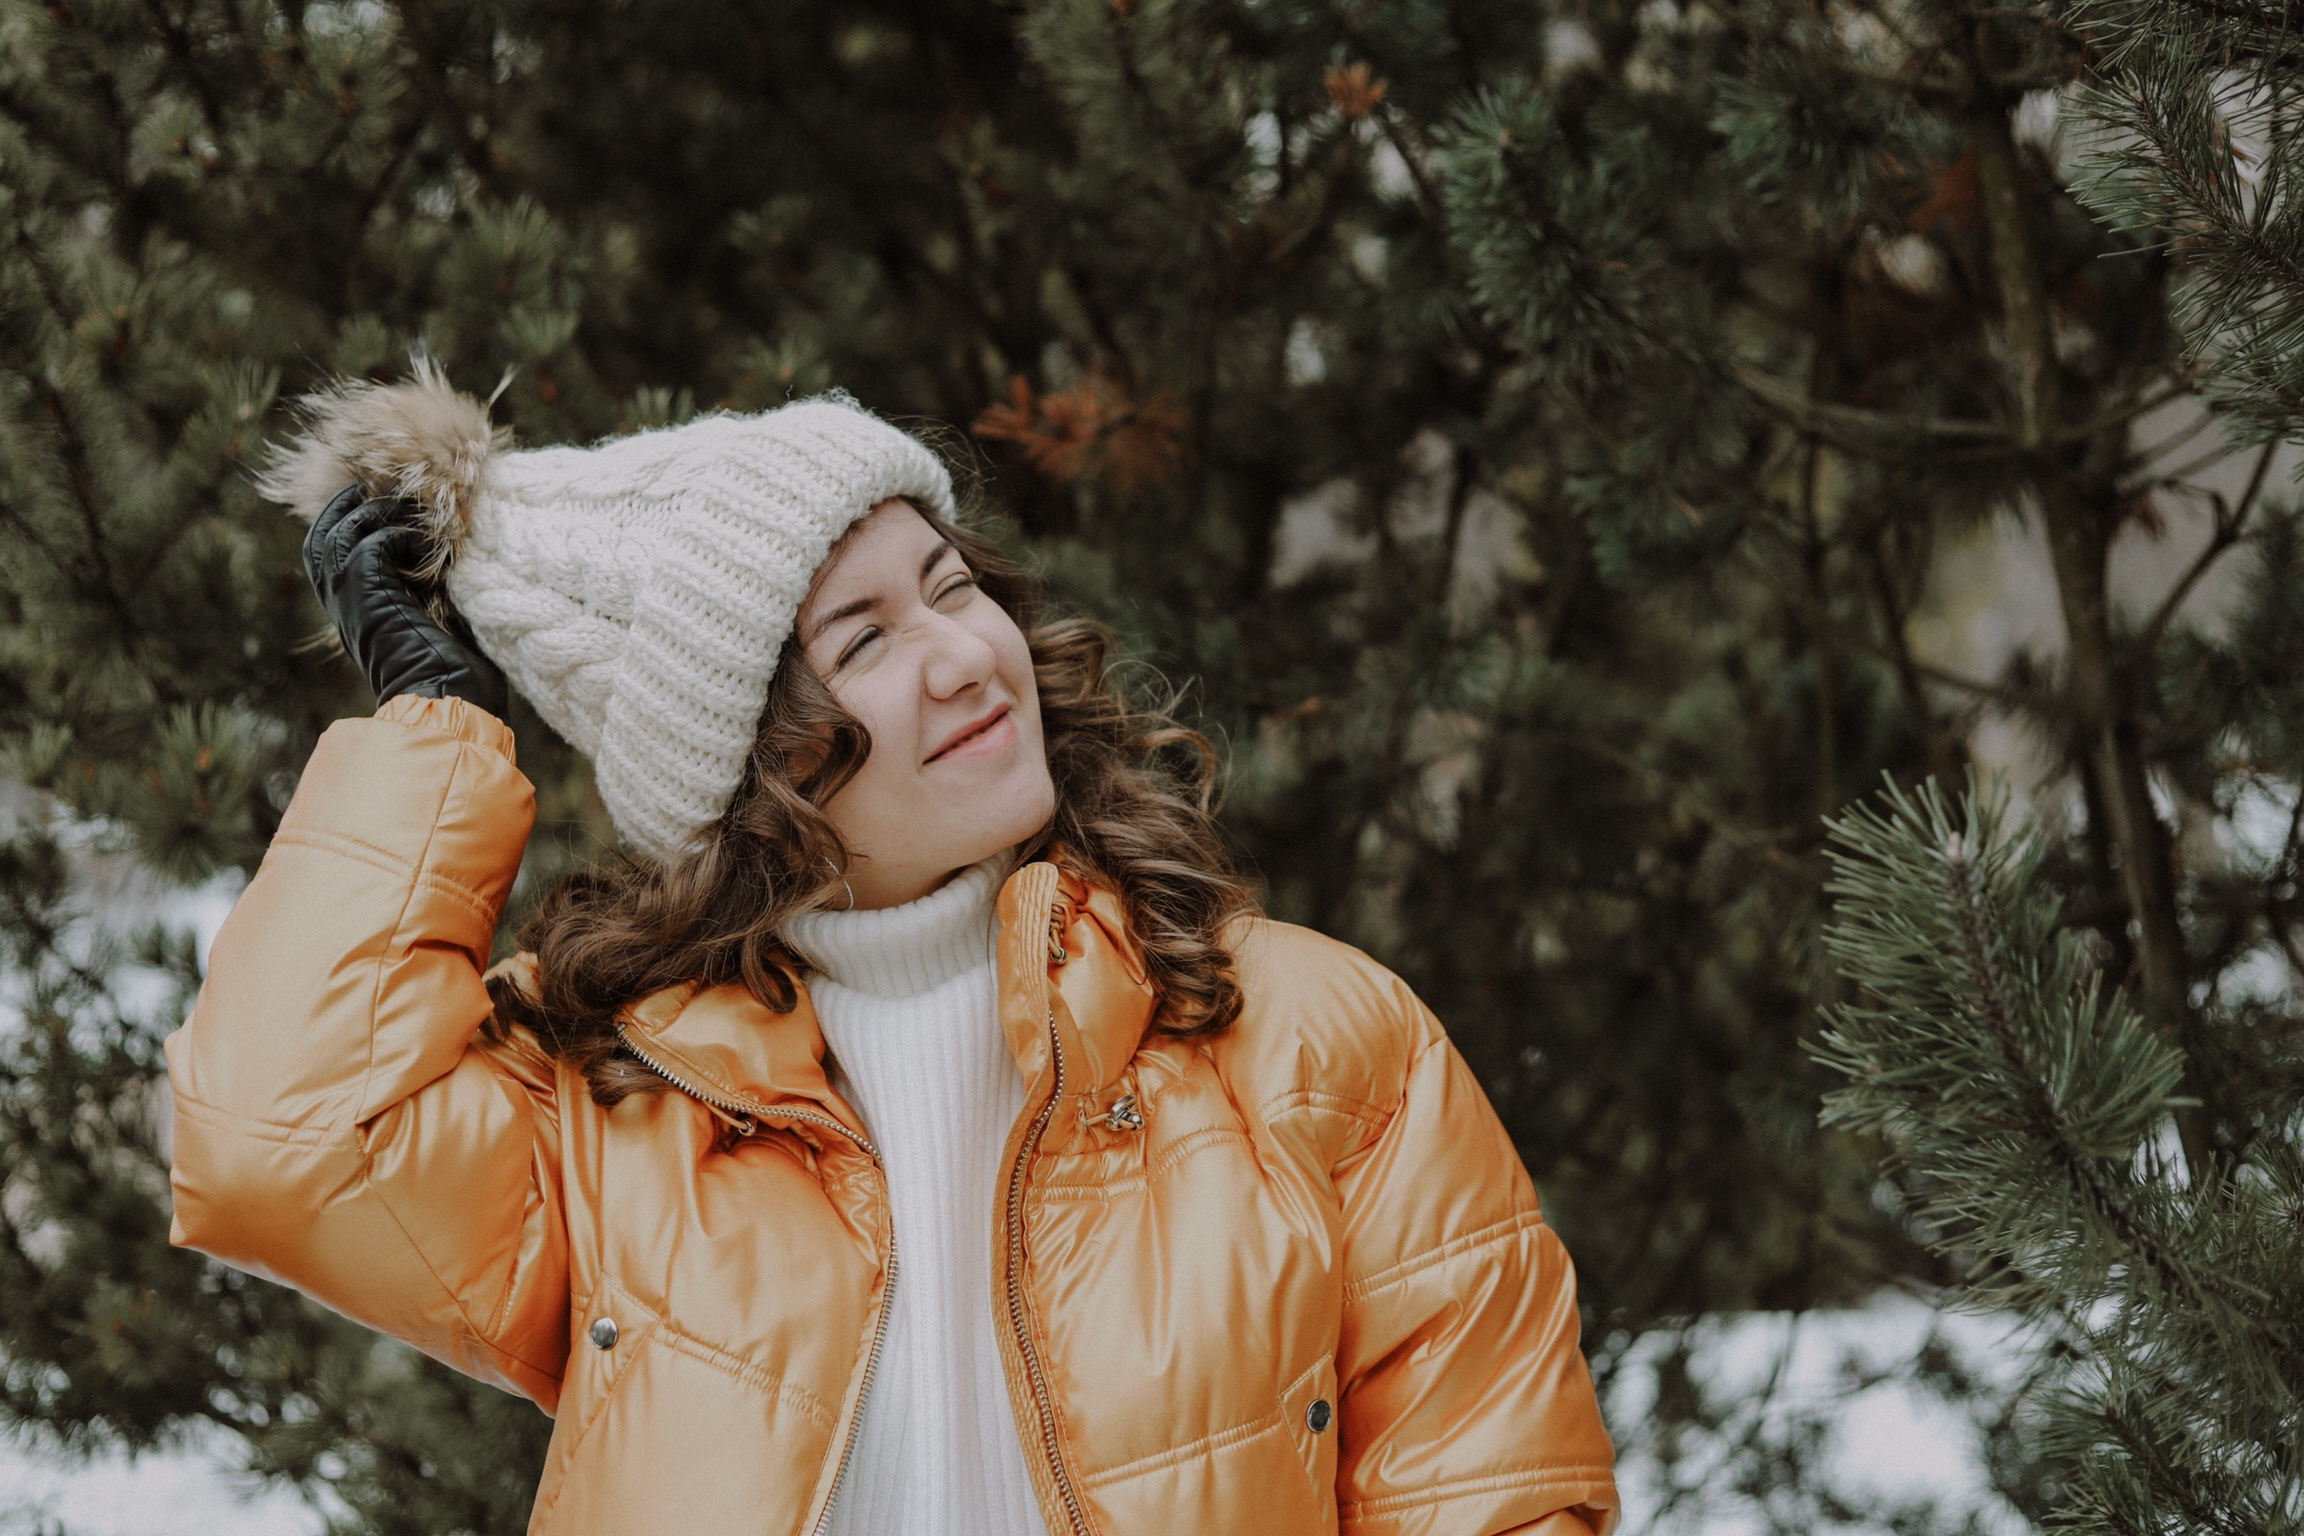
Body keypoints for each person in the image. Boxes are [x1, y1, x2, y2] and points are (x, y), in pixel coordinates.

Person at [164, 362, 1620, 1536]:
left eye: (950, 584)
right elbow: (277, 1140)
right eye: (862, 640)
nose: (964, 652)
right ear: (755, 770)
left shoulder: (1309, 1036)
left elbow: (1496, 1495)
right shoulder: (619, 1109)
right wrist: (437, 730)